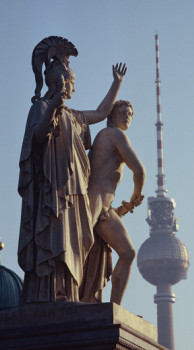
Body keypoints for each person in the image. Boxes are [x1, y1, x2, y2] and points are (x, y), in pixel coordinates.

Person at [17, 36, 126, 303]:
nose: (73, 90)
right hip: (51, 193)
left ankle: (68, 293)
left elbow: (101, 113)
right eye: (71, 83)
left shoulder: (74, 115)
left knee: (71, 244)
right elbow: (39, 136)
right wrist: (54, 104)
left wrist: (117, 83)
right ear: (58, 81)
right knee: (53, 240)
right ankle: (50, 295)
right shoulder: (42, 108)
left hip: (74, 193)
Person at [80, 100, 145, 305]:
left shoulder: (105, 136)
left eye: (131, 114)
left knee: (127, 252)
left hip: (105, 207)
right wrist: (137, 194)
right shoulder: (114, 134)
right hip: (94, 201)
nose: (127, 116)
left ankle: (114, 309)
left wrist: (124, 206)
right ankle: (67, 294)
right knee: (79, 250)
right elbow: (140, 171)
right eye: (123, 111)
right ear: (111, 116)